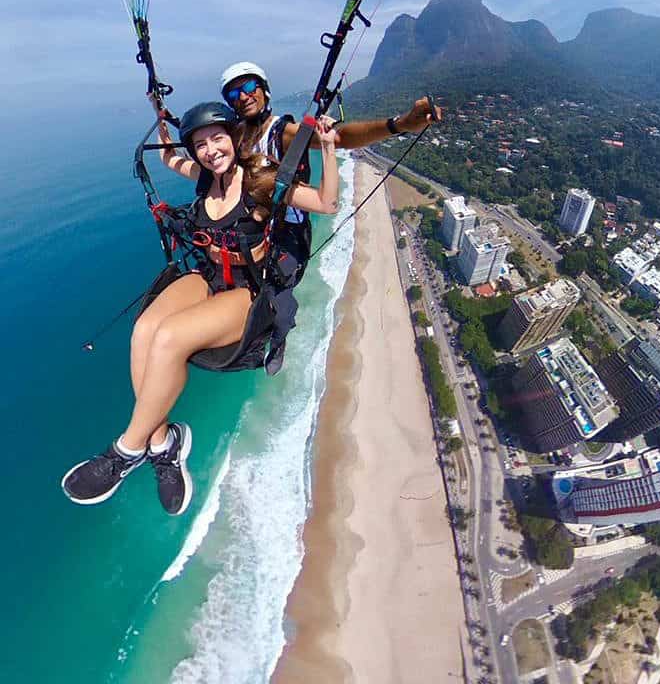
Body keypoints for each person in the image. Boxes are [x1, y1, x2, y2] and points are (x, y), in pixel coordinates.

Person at [61, 101, 339, 517]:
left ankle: (126, 451)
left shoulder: (262, 180)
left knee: (171, 338)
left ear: (233, 138)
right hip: (208, 276)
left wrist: (330, 149)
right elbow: (171, 159)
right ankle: (163, 444)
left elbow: (325, 202)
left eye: (217, 139)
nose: (210, 150)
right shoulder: (202, 179)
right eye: (201, 145)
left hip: (248, 290)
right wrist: (161, 119)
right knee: (145, 329)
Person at [218, 62, 441, 372]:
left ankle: (280, 334)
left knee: (275, 295)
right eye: (233, 92)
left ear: (264, 89)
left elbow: (339, 137)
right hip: (255, 226)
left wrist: (399, 124)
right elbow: (201, 141)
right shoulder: (237, 135)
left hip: (287, 234)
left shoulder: (282, 132)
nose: (242, 96)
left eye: (248, 87)